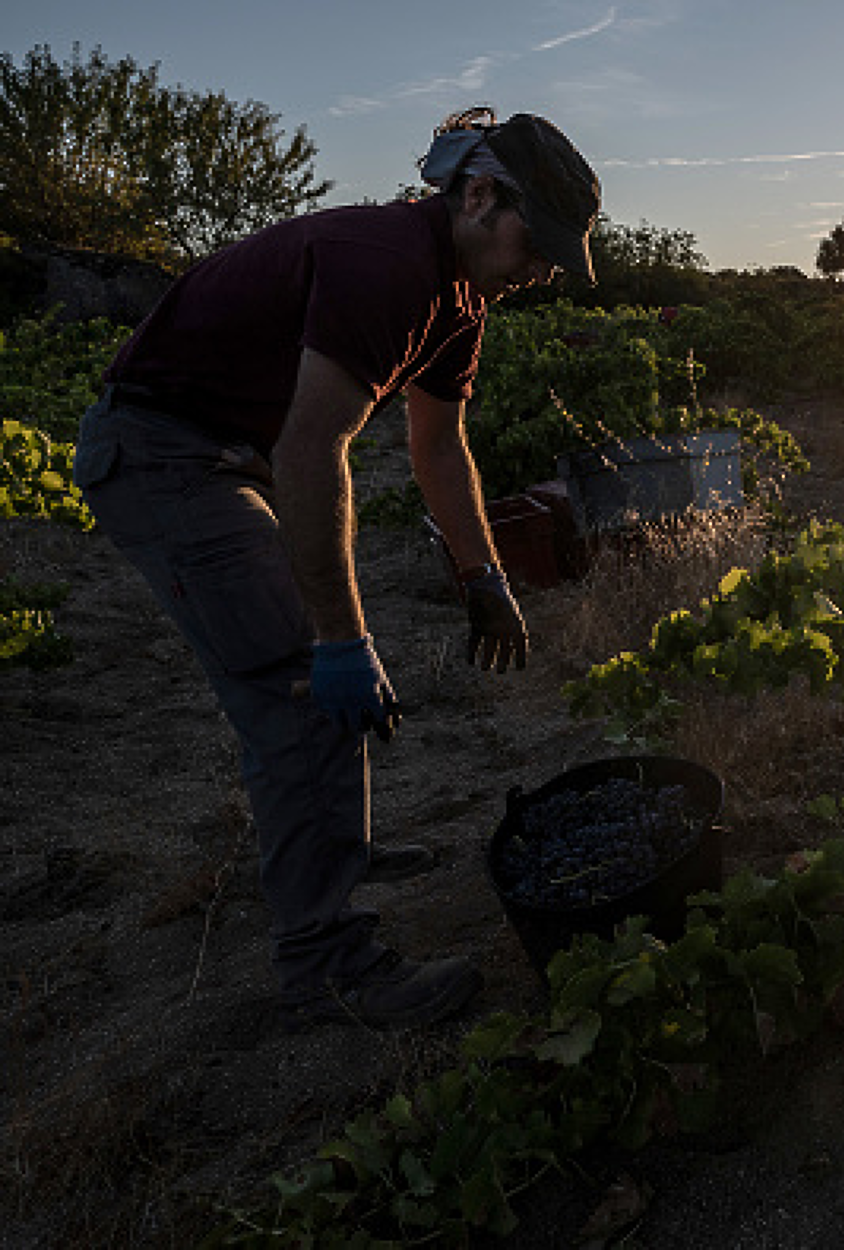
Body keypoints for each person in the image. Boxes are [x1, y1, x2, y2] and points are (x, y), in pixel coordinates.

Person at [73, 107, 601, 1030]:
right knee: (304, 686)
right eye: (538, 243)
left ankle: (329, 853)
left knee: (322, 655)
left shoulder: (462, 296)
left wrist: (487, 581)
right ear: (477, 196)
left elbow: (439, 449)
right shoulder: (390, 264)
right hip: (164, 452)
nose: (544, 271)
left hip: (230, 452)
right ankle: (325, 966)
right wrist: (343, 638)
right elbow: (315, 448)